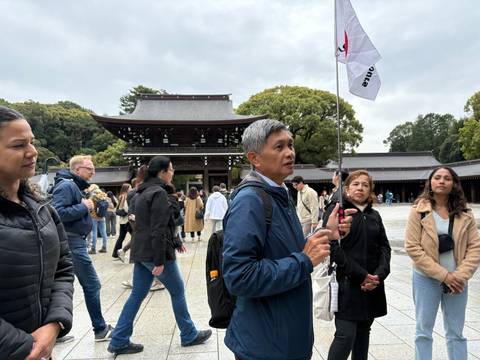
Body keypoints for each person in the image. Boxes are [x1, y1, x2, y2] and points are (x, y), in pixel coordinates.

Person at [222, 119, 354, 360]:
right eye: (279, 147)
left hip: (286, 334)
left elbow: (285, 248)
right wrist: (303, 261)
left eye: (290, 145)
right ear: (255, 158)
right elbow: (239, 276)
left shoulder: (279, 193)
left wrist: (326, 233)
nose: (289, 152)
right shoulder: (250, 201)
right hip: (265, 342)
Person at [107, 156, 212, 355]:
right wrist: (160, 260)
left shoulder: (140, 192)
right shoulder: (158, 193)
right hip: (155, 251)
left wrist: (176, 241)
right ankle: (188, 334)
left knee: (137, 294)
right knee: (178, 290)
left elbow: (143, 224)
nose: (173, 172)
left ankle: (119, 338)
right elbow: (159, 228)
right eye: (171, 169)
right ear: (163, 172)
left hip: (141, 249)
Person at [0, 106, 74, 359]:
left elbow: (63, 268)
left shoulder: (41, 208)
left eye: (32, 142)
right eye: (19, 145)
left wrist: (54, 324)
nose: (32, 152)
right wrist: (27, 346)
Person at [405, 166, 480, 360]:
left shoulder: (465, 213)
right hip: (426, 279)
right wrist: (444, 275)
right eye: (437, 177)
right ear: (430, 182)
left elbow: (475, 247)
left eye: (447, 178)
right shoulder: (418, 212)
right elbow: (413, 247)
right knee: (423, 330)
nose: (441, 181)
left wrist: (460, 275)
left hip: (458, 280)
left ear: (454, 183)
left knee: (456, 332)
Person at [326, 170, 391, 360]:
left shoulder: (375, 216)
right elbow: (334, 249)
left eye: (365, 184)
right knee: (345, 334)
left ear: (370, 190)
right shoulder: (338, 213)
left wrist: (379, 275)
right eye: (355, 184)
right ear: (346, 189)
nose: (360, 188)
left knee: (364, 331)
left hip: (372, 284)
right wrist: (361, 275)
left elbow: (385, 248)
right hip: (349, 282)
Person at [51, 154, 114, 341]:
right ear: (77, 169)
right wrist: (85, 206)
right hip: (73, 242)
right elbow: (58, 212)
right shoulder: (67, 185)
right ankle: (100, 328)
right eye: (89, 168)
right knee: (92, 284)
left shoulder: (75, 186)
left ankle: (55, 330)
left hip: (73, 240)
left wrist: (94, 207)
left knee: (60, 286)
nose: (93, 171)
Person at [112, 183, 132, 261]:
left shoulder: (120, 196)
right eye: (130, 188)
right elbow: (126, 208)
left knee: (121, 237)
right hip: (127, 220)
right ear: (126, 189)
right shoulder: (125, 197)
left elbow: (117, 208)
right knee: (134, 237)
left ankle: (116, 254)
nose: (131, 189)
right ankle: (122, 252)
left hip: (122, 221)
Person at [87, 184, 109, 254]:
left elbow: (90, 207)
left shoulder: (92, 197)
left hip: (94, 217)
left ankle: (93, 249)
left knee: (94, 232)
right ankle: (104, 247)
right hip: (102, 216)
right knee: (103, 232)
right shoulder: (103, 196)